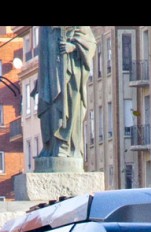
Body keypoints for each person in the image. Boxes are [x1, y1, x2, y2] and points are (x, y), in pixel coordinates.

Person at [35, 26, 96, 161]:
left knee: (66, 106)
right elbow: (43, 53)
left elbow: (90, 42)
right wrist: (41, 78)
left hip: (69, 73)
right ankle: (49, 147)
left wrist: (73, 47)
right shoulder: (44, 28)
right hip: (49, 74)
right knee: (48, 109)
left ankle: (64, 147)